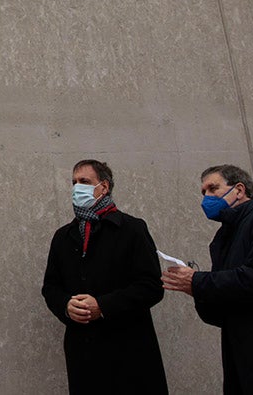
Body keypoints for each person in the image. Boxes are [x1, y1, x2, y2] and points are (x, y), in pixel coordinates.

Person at [161, 164, 253, 395]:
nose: (206, 198)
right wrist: (195, 289)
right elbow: (221, 311)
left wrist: (199, 282)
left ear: (239, 190)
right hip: (238, 353)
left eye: (212, 188)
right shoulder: (223, 237)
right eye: (203, 193)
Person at [42, 160, 168, 394]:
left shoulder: (132, 229)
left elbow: (151, 286)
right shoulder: (63, 237)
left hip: (129, 349)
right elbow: (51, 286)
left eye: (84, 182)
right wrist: (66, 306)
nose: (77, 188)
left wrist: (103, 305)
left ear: (104, 187)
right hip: (84, 350)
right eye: (74, 182)